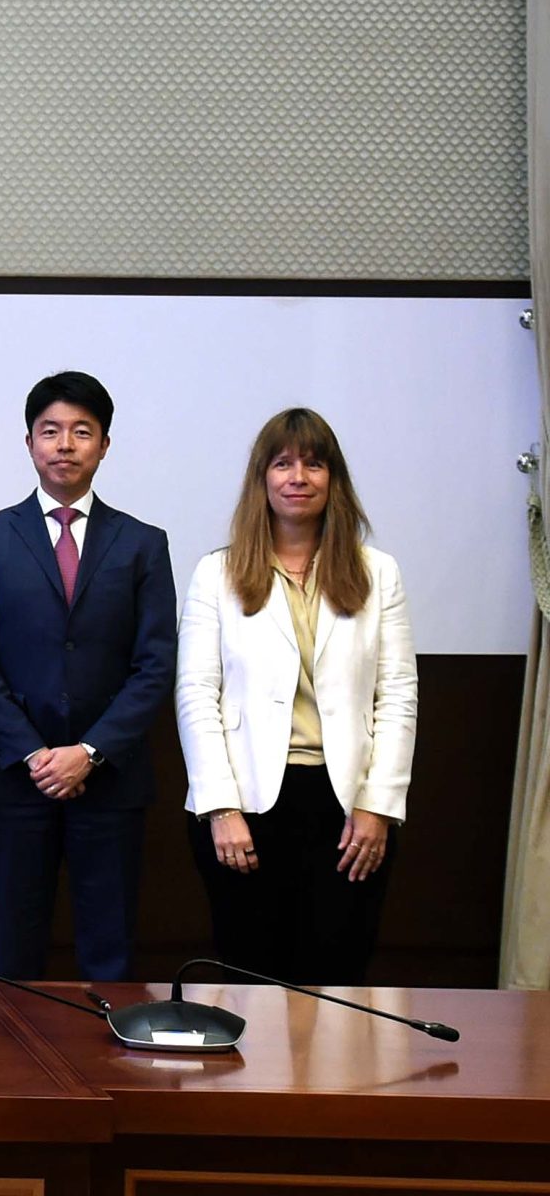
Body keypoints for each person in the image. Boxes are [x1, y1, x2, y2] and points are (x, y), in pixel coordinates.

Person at [176, 408, 414, 986]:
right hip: (246, 807)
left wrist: (378, 805)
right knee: (252, 983)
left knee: (336, 980)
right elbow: (196, 694)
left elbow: (397, 694)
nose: (298, 477)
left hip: (347, 809)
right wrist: (220, 808)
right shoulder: (217, 573)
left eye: (314, 464)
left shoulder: (378, 572)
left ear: (334, 479)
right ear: (262, 478)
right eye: (282, 464)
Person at [0, 372, 176, 981]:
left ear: (104, 445)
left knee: (110, 949)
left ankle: (109, 1043)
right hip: (16, 780)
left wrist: (90, 751)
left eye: (82, 431)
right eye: (51, 431)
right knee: (13, 948)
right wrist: (33, 753)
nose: (65, 445)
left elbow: (155, 663)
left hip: (111, 781)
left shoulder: (143, 543)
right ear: (29, 443)